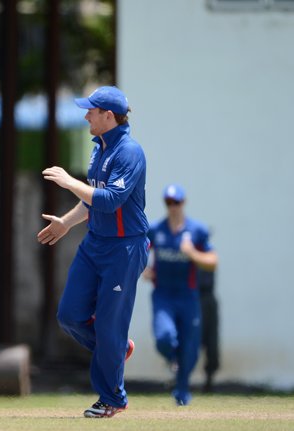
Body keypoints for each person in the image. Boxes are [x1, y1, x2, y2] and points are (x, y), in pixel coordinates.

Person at [37, 86, 149, 418]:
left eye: (92, 110)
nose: (86, 115)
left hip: (124, 248)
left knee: (109, 327)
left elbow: (110, 199)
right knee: (69, 315)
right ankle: (116, 347)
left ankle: (112, 398)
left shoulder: (129, 151)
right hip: (95, 244)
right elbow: (92, 198)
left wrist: (68, 181)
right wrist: (67, 222)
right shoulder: (99, 147)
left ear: (108, 116)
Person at [143, 184, 218, 406]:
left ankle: (182, 392)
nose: (172, 206)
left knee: (190, 349)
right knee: (164, 337)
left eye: (176, 202)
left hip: (188, 295)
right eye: (168, 202)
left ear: (183, 203)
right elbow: (138, 252)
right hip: (163, 295)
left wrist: (192, 253)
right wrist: (143, 270)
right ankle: (172, 359)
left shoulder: (197, 231)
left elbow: (213, 262)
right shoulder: (156, 230)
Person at [197, 267, 219, 393]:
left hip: (207, 299)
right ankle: (180, 379)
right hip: (191, 298)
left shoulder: (206, 251)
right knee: (188, 341)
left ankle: (209, 379)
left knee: (211, 342)